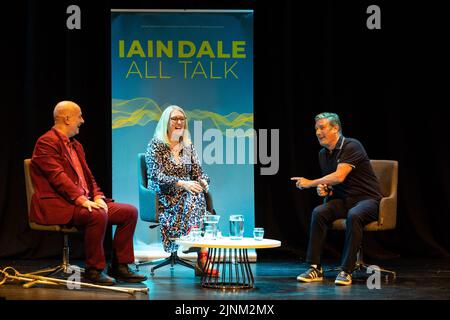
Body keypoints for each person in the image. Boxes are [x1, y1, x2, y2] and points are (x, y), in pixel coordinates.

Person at [30, 101, 147, 285]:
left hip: (84, 201)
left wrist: (98, 196)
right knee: (98, 215)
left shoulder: (76, 145)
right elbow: (58, 178)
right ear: (67, 119)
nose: (82, 121)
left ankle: (120, 266)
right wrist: (82, 199)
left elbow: (89, 178)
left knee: (129, 212)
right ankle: (94, 269)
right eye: (79, 116)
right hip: (62, 204)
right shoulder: (46, 142)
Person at [291, 112, 382, 286]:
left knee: (354, 215)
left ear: (336, 128)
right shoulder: (323, 154)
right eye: (316, 129)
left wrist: (310, 183)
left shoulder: (352, 145)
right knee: (319, 212)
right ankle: (314, 267)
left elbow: (339, 176)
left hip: (367, 200)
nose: (318, 132)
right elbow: (332, 183)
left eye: (322, 128)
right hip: (344, 200)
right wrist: (324, 190)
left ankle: (346, 270)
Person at [145, 105, 217, 276]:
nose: (179, 122)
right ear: (166, 122)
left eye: (182, 119)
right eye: (174, 119)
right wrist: (183, 183)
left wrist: (204, 182)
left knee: (197, 193)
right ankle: (202, 255)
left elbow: (199, 172)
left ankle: (199, 246)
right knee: (195, 196)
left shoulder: (187, 147)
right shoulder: (156, 145)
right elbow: (156, 176)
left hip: (187, 197)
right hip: (164, 197)